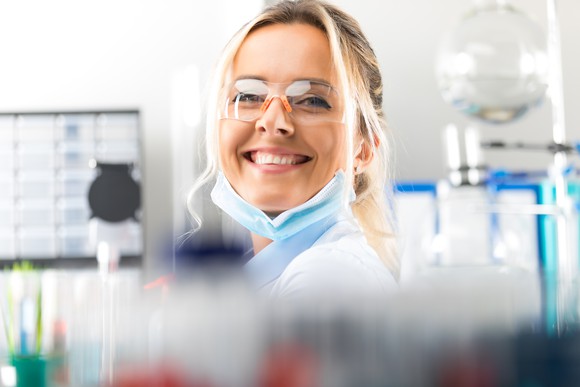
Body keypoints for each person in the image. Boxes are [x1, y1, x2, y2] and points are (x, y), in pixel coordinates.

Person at [187, 0, 398, 298]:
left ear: (362, 149)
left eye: (312, 100)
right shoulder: (278, 276)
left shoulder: (327, 278)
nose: (272, 121)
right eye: (248, 95)